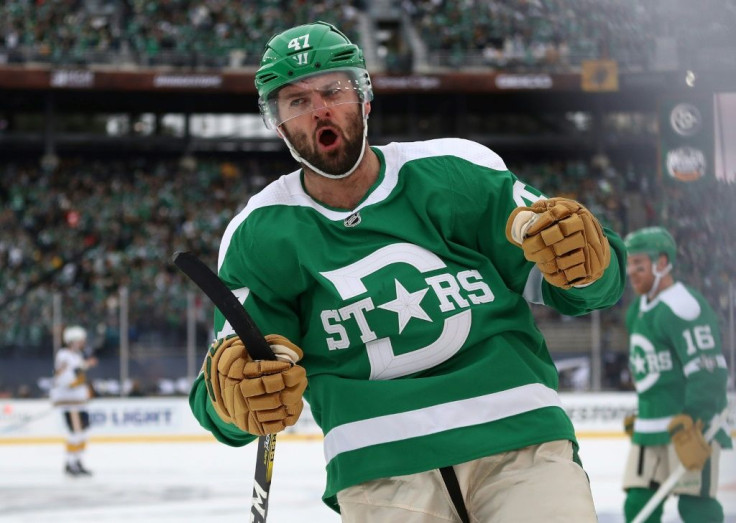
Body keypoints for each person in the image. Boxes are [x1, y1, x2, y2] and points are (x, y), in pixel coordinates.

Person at [190, 21, 627, 521]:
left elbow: (588, 290)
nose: (320, 110)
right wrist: (235, 401)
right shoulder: (260, 233)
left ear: (365, 99)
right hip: (380, 476)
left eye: (333, 90)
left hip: (520, 443)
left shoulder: (457, 171)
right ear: (278, 124)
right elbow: (225, 387)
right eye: (296, 102)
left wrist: (589, 265)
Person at [622, 226, 732, 522]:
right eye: (629, 263)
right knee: (637, 507)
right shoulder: (636, 311)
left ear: (662, 263)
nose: (631, 271)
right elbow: (652, 371)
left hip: (689, 428)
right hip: (651, 430)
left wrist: (697, 417)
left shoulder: (684, 306)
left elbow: (708, 370)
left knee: (695, 506)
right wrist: (645, 413)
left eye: (639, 264)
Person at [50, 325, 98, 476]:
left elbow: (77, 374)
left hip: (78, 399)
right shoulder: (64, 355)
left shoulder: (76, 356)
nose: (83, 343)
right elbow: (62, 377)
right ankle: (70, 463)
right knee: (75, 432)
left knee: (83, 431)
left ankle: (77, 461)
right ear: (73, 341)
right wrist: (83, 367)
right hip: (69, 400)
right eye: (81, 340)